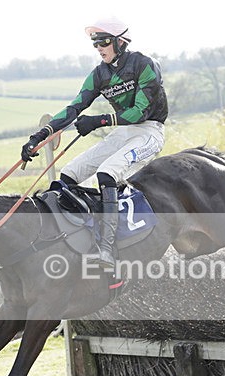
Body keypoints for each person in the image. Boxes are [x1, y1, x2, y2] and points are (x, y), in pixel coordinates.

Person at [20, 17, 169, 269]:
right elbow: (74, 107)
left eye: (104, 42)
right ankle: (65, 240)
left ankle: (107, 249)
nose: (99, 48)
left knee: (107, 173)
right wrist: (39, 136)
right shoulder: (99, 74)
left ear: (121, 42)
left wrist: (99, 120)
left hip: (149, 131)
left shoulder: (144, 64)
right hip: (123, 132)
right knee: (68, 174)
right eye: (96, 44)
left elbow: (140, 113)